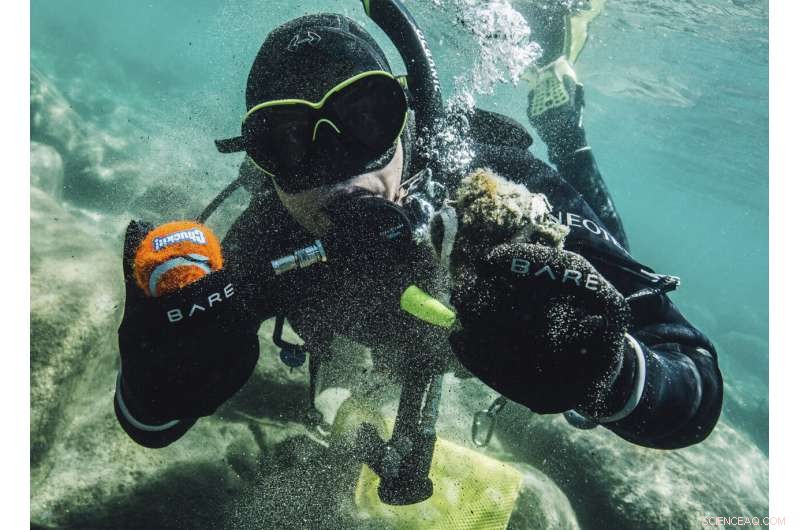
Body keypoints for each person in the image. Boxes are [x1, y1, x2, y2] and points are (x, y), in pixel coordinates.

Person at [114, 3, 722, 457]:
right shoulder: (265, 243)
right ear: (262, 165)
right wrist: (156, 370)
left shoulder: (497, 197)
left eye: (364, 120)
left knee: (603, 253)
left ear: (405, 124)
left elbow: (693, 380)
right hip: (389, 348)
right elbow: (151, 426)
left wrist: (612, 373)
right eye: (290, 141)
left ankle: (565, 127)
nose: (338, 172)